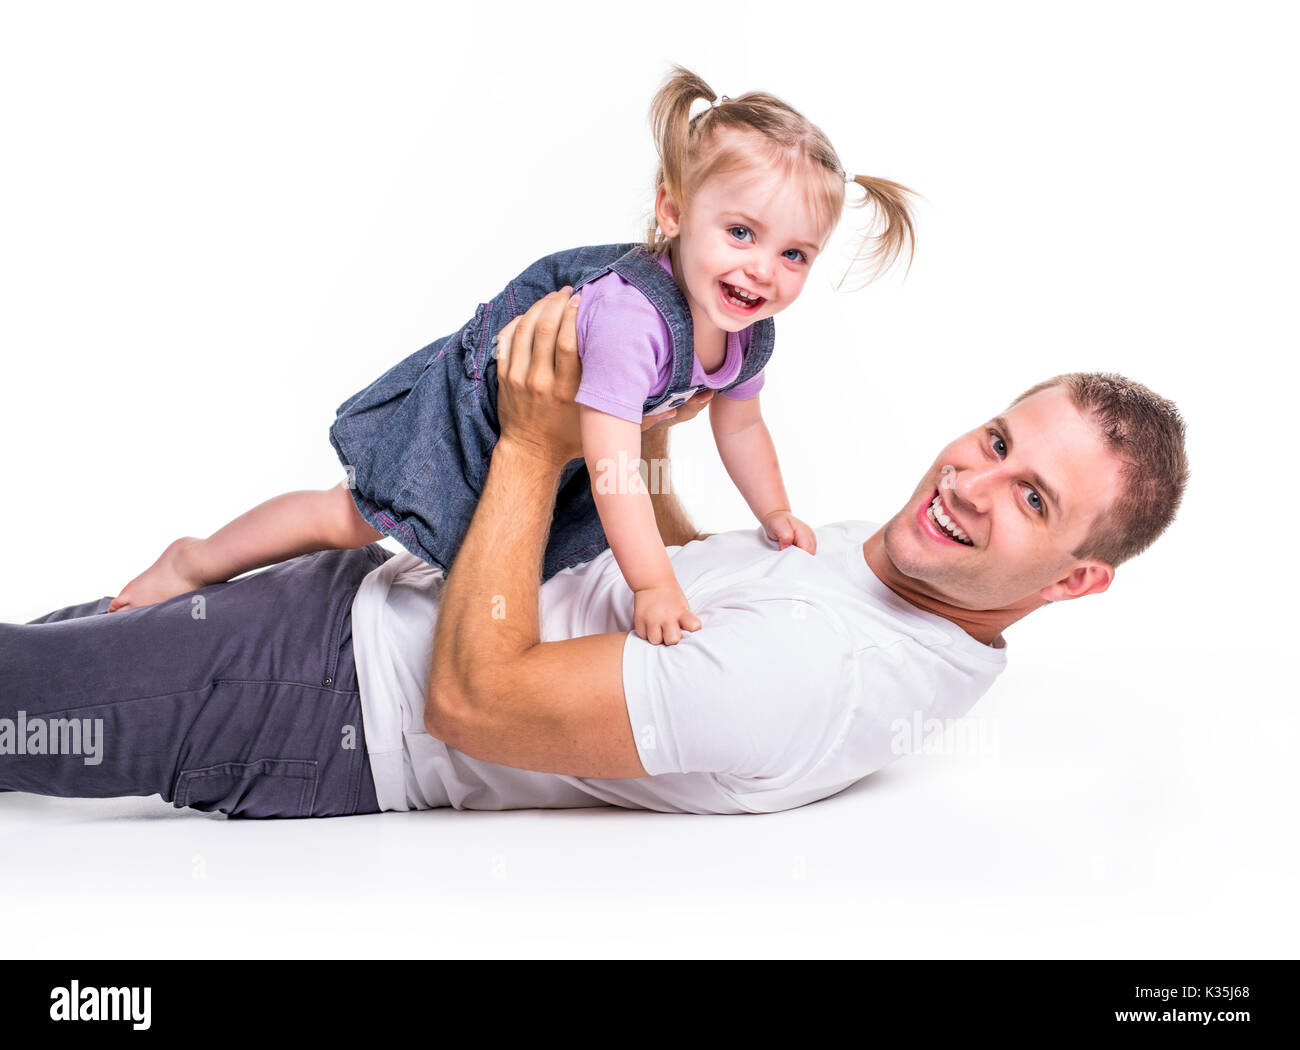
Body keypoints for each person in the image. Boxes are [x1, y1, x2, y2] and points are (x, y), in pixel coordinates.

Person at [0, 291, 1189, 818]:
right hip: (349, 614)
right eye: (993, 438)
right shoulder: (889, 579)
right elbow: (650, 582)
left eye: (1029, 496)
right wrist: (631, 438)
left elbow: (474, 701)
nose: (967, 483)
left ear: (1077, 578)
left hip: (317, 701)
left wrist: (532, 442)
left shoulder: (824, 674)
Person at [104, 65, 916, 646]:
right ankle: (195, 560)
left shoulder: (747, 330)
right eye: (740, 233)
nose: (761, 271)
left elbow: (741, 428)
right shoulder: (635, 322)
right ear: (672, 212)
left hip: (560, 441)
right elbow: (613, 470)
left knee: (526, 562)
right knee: (350, 518)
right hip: (484, 410)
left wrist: (773, 512)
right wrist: (653, 583)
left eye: (794, 255)